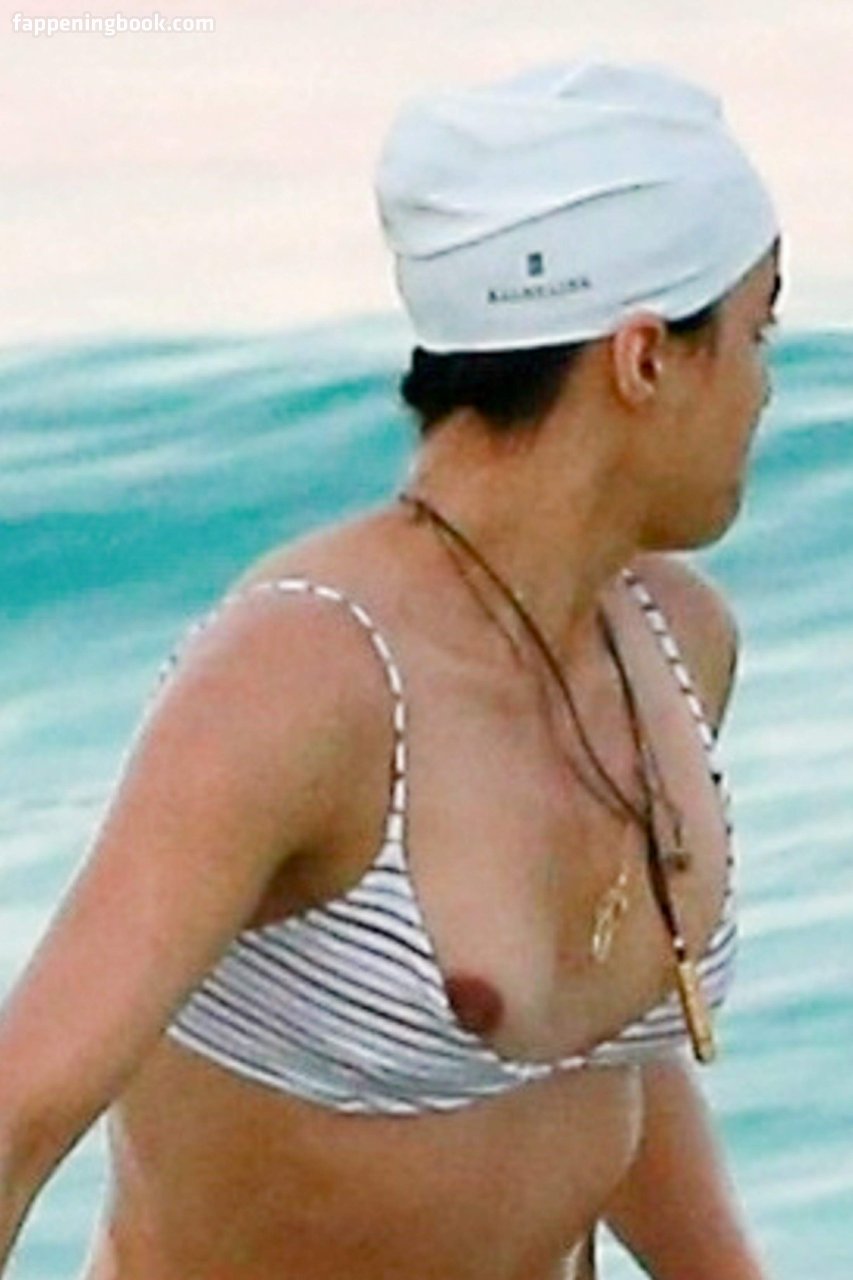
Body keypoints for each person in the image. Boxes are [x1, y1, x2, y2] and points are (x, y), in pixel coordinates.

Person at [0, 61, 782, 1280]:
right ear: (642, 358)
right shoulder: (304, 675)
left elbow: (596, 1052)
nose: (766, 385)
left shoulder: (673, 641)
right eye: (756, 330)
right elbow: (16, 1115)